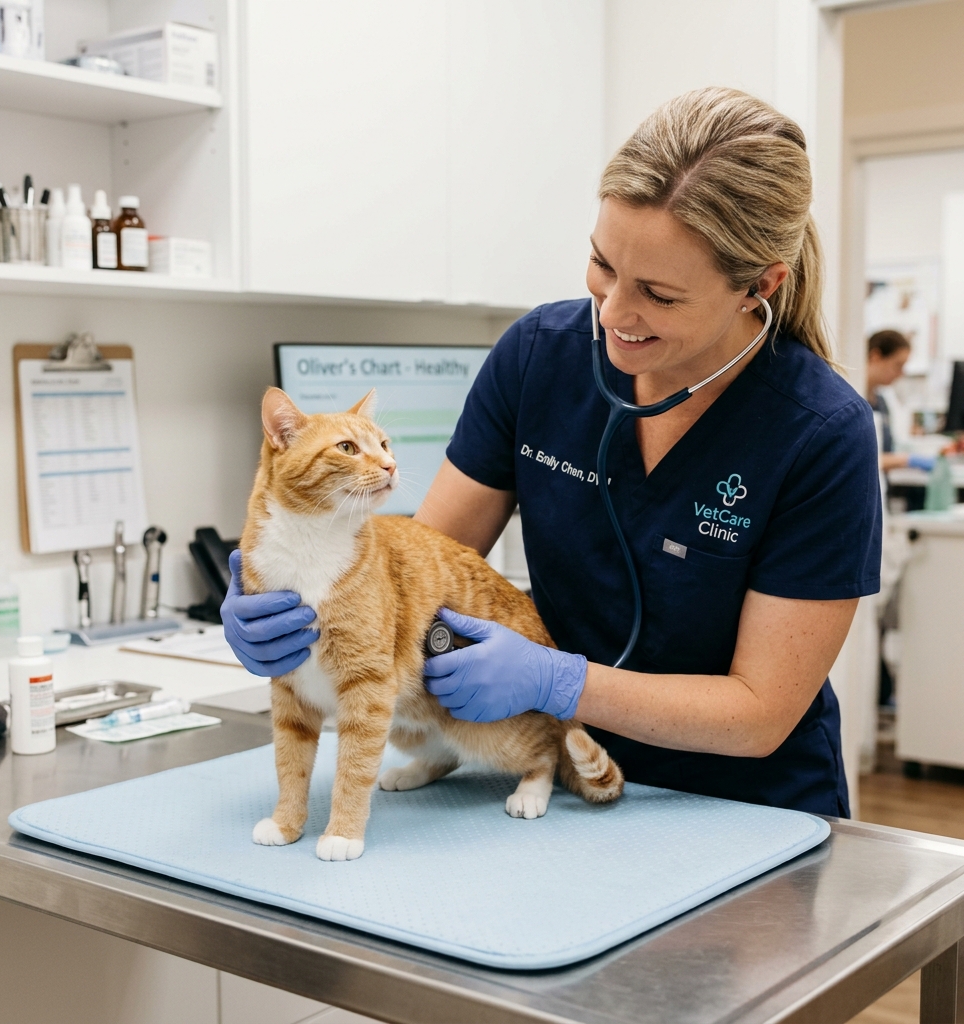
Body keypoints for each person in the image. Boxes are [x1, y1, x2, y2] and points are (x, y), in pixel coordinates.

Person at [222, 88, 882, 817]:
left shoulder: (822, 434)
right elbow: (423, 568)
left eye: (659, 295)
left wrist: (558, 682)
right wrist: (286, 587)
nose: (614, 312)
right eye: (602, 265)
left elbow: (760, 713)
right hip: (549, 783)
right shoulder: (539, 357)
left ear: (759, 285)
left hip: (745, 807)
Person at [865, 329, 934, 473]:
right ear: (875, 356)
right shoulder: (855, 403)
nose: (901, 373)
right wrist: (906, 459)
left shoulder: (881, 402)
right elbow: (861, 459)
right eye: (898, 365)